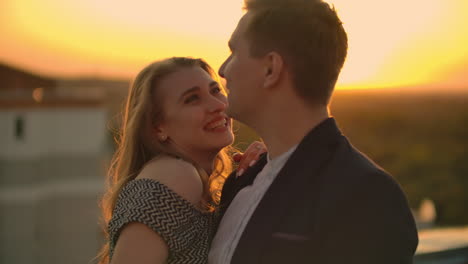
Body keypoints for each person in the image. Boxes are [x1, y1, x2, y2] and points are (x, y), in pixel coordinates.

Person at [209, 0, 419, 263]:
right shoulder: (242, 179)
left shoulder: (364, 195)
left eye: (234, 52)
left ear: (271, 69)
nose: (222, 69)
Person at [96, 57, 265, 264]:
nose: (218, 105)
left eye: (215, 90)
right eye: (192, 99)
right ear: (158, 127)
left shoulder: (189, 179)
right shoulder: (176, 173)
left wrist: (260, 171)